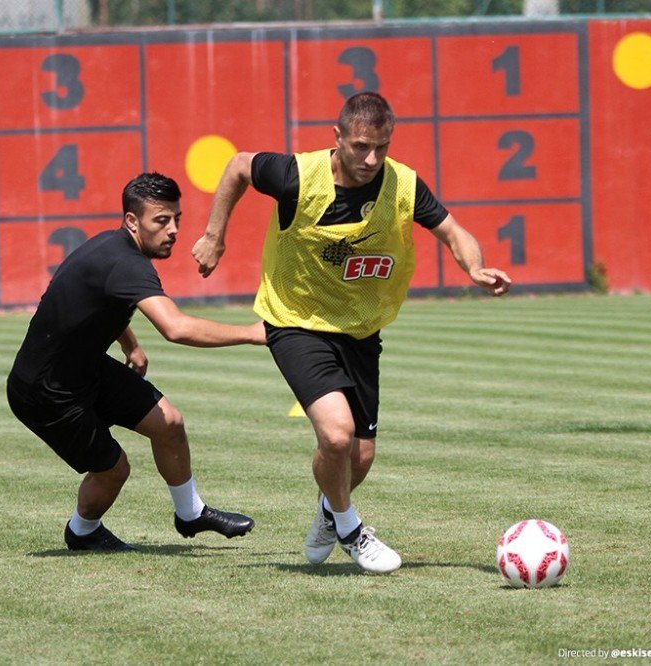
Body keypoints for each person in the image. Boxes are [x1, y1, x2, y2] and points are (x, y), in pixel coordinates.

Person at [191, 92, 511, 573]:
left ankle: (327, 511)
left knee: (358, 457)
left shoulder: (402, 184)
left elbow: (453, 231)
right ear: (336, 138)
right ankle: (351, 530)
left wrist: (477, 268)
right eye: (361, 146)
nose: (372, 159)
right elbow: (238, 166)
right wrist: (215, 234)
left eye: (382, 147)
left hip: (360, 331)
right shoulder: (299, 176)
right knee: (337, 438)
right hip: (295, 321)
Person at [7, 172, 265, 552]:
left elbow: (92, 302)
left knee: (169, 422)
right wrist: (252, 333)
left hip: (86, 369)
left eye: (177, 218)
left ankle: (190, 513)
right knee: (113, 470)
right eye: (161, 220)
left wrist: (130, 344)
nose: (174, 229)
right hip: (46, 391)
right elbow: (175, 328)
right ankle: (82, 532)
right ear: (132, 221)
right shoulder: (127, 264)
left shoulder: (112, 248)